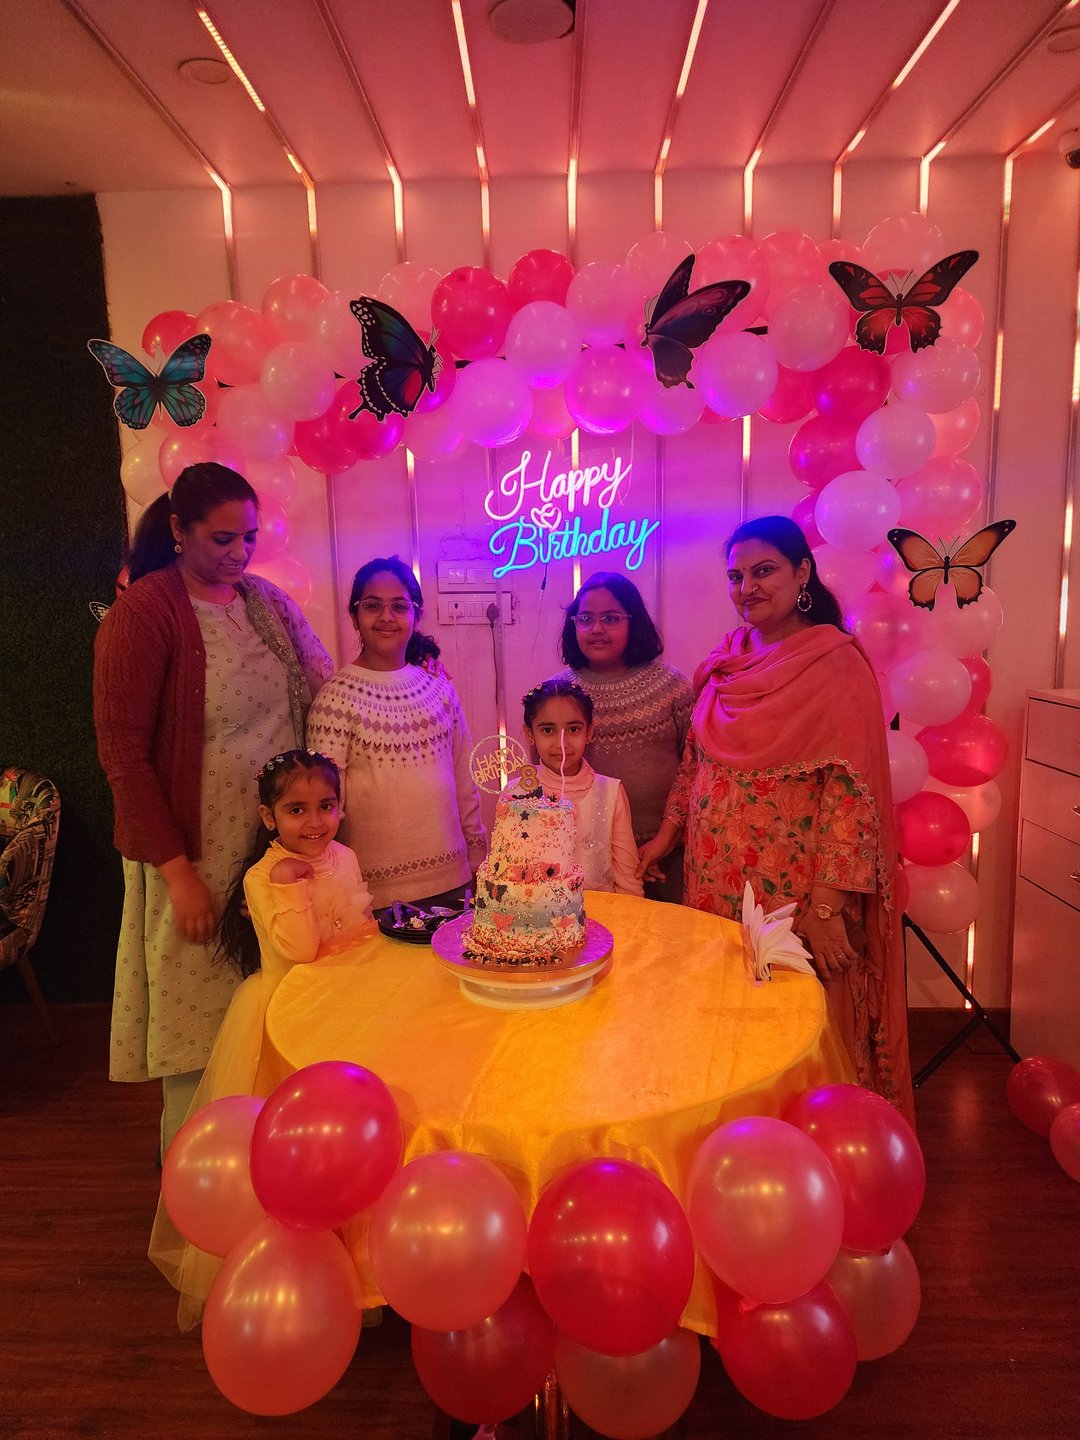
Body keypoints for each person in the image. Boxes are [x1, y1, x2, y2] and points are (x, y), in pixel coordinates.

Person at [636, 516, 913, 1121]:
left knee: (791, 1023)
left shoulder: (835, 664)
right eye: (736, 576)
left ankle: (801, 1141)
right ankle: (727, 1132)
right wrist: (665, 837)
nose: (747, 587)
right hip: (714, 884)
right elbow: (696, 763)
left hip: (793, 895)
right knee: (723, 1021)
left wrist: (827, 908)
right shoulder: (728, 660)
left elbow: (850, 793)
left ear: (802, 573)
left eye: (763, 571)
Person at [93, 462, 334, 1155]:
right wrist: (178, 875)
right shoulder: (144, 614)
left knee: (273, 1004)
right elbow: (124, 758)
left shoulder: (265, 603)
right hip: (194, 851)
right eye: (222, 539)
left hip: (271, 845)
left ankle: (272, 1165)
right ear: (178, 529)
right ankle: (197, 1179)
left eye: (249, 537)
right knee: (199, 1030)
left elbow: (326, 687)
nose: (240, 553)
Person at [148, 748, 374, 1332]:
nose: (315, 822)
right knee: (290, 1143)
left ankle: (350, 1264)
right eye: (297, 810)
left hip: (344, 1007)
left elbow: (359, 930)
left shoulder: (345, 857)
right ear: (269, 817)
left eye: (326, 806)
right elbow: (300, 950)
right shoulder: (262, 876)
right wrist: (289, 889)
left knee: (342, 1138)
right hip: (288, 1014)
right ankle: (284, 1257)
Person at [306, 556, 486, 910]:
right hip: (372, 895)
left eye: (399, 606)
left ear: (417, 614)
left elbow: (464, 780)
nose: (386, 617)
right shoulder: (334, 699)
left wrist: (477, 856)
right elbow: (325, 804)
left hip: (453, 883)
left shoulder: (440, 689)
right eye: (373, 605)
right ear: (354, 615)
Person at [552, 571, 693, 901]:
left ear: (634, 621)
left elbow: (695, 770)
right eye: (585, 618)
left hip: (668, 854)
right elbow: (549, 779)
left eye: (611, 618)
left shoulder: (672, 687)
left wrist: (666, 839)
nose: (597, 629)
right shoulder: (558, 694)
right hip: (584, 860)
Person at [519, 678, 642, 896]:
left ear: (589, 732)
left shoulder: (610, 792)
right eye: (548, 730)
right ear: (530, 733)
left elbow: (628, 880)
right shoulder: (516, 794)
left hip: (603, 913)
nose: (562, 743)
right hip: (534, 914)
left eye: (573, 729)